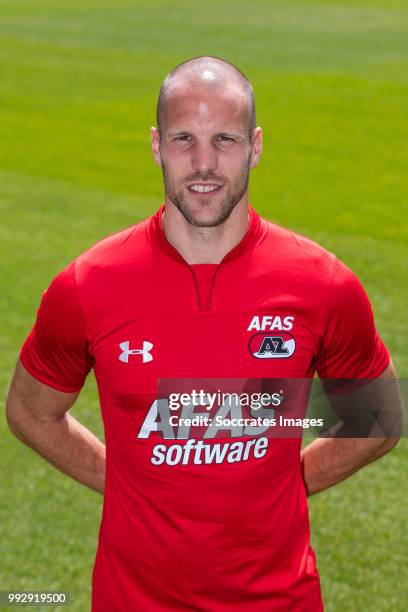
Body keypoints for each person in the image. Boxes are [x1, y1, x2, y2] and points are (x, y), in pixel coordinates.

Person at [6, 56, 402, 611]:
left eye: (226, 140)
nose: (204, 163)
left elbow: (380, 419)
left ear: (256, 146)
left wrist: (286, 486)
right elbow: (29, 411)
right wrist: (122, 484)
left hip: (278, 601)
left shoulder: (323, 284)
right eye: (183, 139)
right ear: (155, 145)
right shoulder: (87, 285)